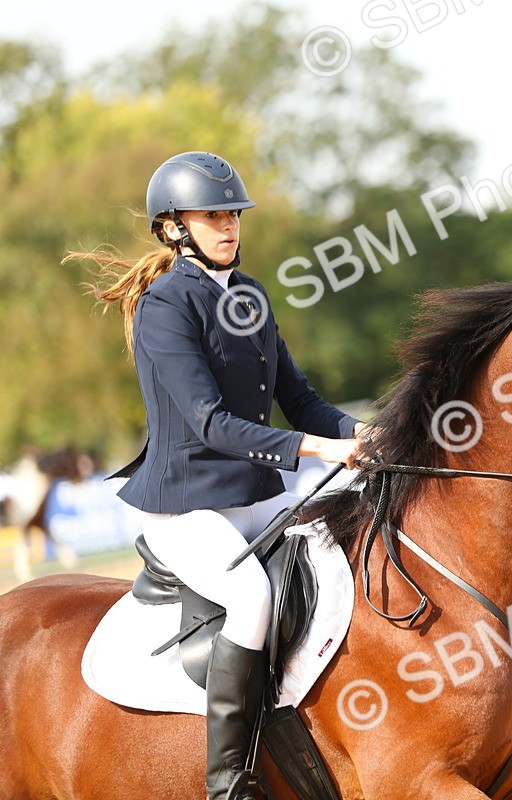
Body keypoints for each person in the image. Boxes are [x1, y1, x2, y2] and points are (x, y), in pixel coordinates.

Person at [72, 151, 368, 800]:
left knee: (345, 554)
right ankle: (230, 782)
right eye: (214, 216)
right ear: (174, 227)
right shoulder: (164, 306)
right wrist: (318, 450)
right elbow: (209, 423)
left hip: (251, 494)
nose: (230, 226)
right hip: (184, 506)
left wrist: (365, 434)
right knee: (251, 597)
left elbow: (303, 399)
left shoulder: (251, 296)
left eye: (233, 214)